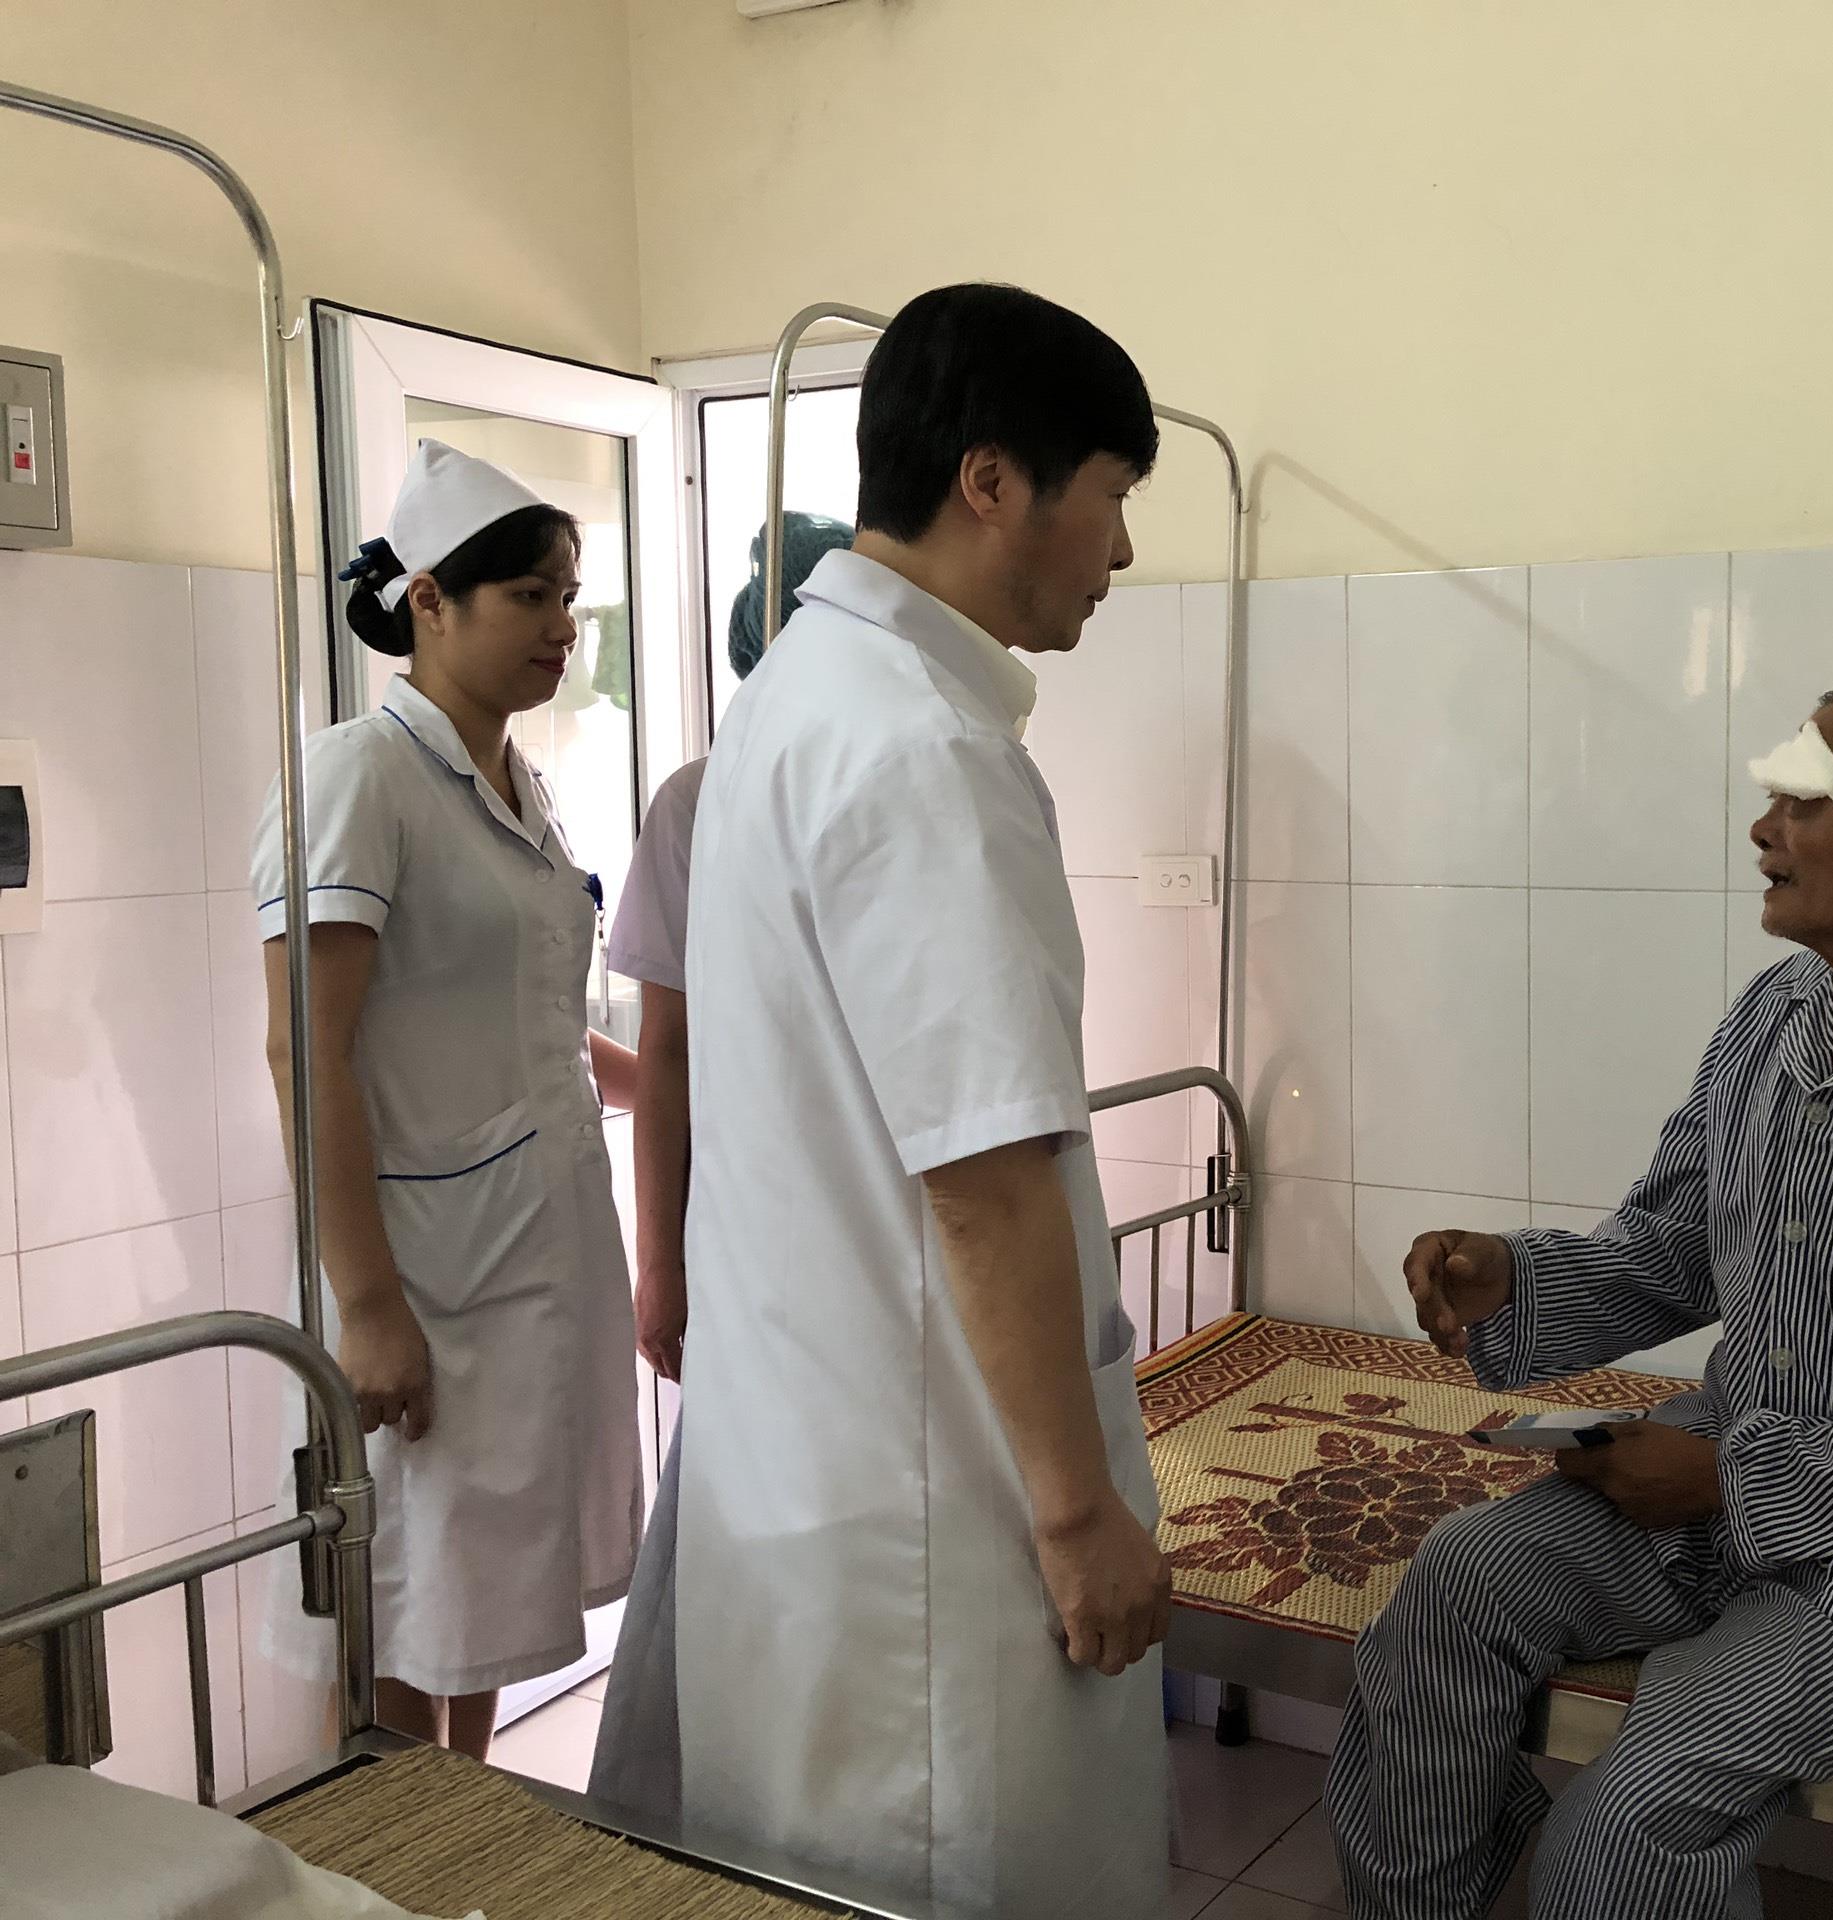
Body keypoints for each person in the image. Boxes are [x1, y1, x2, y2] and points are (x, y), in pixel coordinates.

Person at [1324, 685, 1833, 1920]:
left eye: (1803, 801)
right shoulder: (1776, 1017)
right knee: (1455, 1585)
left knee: (1626, 1826)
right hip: (1736, 1469)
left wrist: (1727, 1482)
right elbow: (1677, 1246)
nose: (1764, 830)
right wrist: (1512, 1275)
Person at [674, 284, 1173, 1916]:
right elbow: (985, 1179)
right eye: (1111, 498)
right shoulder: (922, 749)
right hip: (929, 1516)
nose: (1119, 550)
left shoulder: (797, 702)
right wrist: (1078, 1512)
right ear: (992, 482)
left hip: (812, 1473)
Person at [252, 440, 645, 1759]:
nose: (561, 628)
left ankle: (464, 1848)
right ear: (429, 600)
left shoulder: (522, 788)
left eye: (568, 598)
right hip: (418, 1275)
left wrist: (685, 1092)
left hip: (530, 1261)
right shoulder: (357, 777)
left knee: (478, 1611)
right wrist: (368, 1306)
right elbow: (303, 1048)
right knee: (397, 1618)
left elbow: (529, 1018)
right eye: (529, 596)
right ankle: (380, 1865)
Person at [584, 508, 853, 1817]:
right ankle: (697, 1814)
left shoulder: (906, 775)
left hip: (866, 1234)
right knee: (743, 1525)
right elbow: (670, 1054)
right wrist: (663, 1266)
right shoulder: (697, 803)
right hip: (754, 1236)